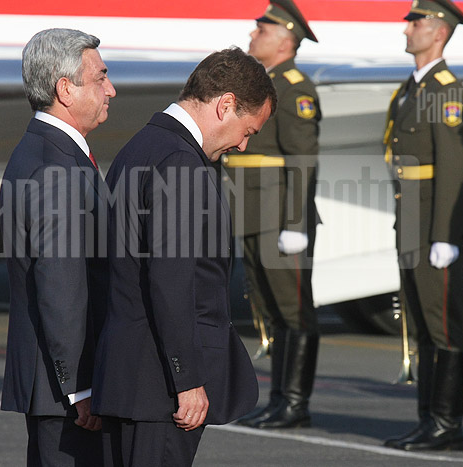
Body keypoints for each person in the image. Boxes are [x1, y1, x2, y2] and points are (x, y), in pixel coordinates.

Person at [91, 47, 276, 466]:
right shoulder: (180, 162)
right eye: (247, 130)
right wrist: (186, 380)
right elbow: (171, 281)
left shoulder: (142, 146)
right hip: (159, 390)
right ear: (225, 104)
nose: (243, 145)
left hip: (129, 378)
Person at [0, 28, 115, 466]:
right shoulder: (56, 167)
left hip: (55, 388)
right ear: (65, 89)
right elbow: (61, 285)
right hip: (65, 395)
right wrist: (81, 386)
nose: (111, 89)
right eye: (101, 78)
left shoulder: (47, 152)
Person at [222, 0, 322, 430]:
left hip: (279, 218)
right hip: (252, 214)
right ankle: (281, 400)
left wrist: (295, 225)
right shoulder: (265, 85)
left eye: (260, 31)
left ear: (284, 40)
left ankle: (295, 403)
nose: (251, 36)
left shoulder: (294, 89)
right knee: (273, 313)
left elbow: (303, 159)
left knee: (293, 311)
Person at [381, 0, 463, 452]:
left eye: (415, 23)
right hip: (411, 220)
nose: (407, 30)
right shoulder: (413, 88)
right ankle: (428, 420)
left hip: (431, 226)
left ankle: (446, 424)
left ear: (438, 32)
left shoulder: (444, 90)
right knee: (421, 325)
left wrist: (445, 235)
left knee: (441, 327)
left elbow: (455, 167)